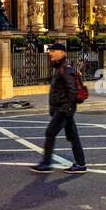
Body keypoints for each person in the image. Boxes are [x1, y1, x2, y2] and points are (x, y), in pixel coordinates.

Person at [30, 41, 87, 174]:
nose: (50, 53)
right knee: (73, 137)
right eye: (50, 51)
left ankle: (46, 163)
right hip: (63, 110)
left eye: (53, 51)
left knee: (50, 133)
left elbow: (72, 91)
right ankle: (81, 164)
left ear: (62, 53)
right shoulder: (61, 68)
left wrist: (67, 109)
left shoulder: (65, 70)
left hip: (64, 110)